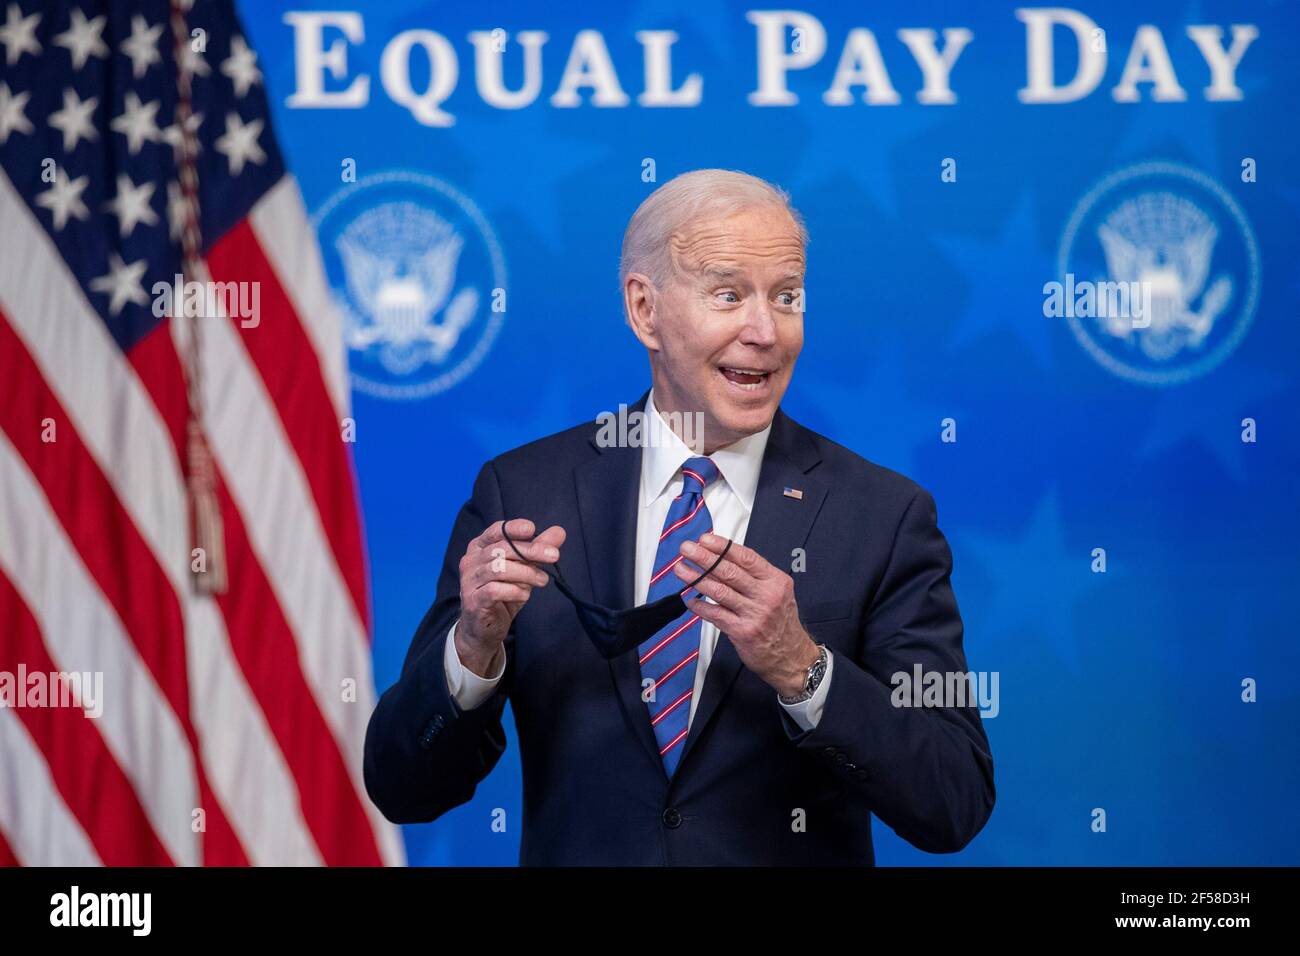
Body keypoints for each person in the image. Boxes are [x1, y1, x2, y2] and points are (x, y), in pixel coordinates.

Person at [363, 169, 995, 865]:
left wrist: (804, 670)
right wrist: (472, 649)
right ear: (644, 310)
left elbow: (953, 799)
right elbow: (402, 787)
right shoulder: (523, 492)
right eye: (729, 294)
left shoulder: (884, 516)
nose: (766, 331)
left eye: (787, 297)